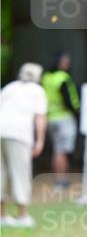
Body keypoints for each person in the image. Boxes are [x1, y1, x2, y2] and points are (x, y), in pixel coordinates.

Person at [0, 63, 47, 228]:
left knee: (1, 173)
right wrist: (40, 140)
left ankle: (2, 215)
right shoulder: (37, 90)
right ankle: (22, 215)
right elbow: (40, 117)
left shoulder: (9, 87)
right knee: (21, 173)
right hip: (19, 134)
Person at [41, 53, 80, 189]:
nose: (67, 64)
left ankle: (60, 177)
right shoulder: (63, 78)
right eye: (65, 61)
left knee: (57, 149)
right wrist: (77, 111)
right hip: (64, 117)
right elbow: (69, 100)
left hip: (50, 118)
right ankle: (61, 179)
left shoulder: (46, 77)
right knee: (62, 150)